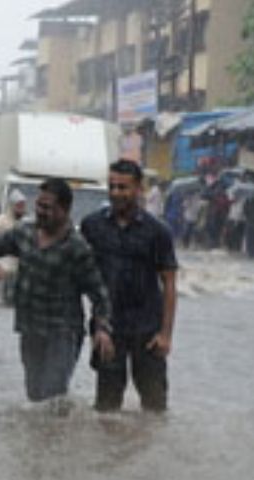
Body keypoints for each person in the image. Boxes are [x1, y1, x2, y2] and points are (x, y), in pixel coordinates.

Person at [0, 179, 113, 405]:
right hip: (30, 328)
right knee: (34, 395)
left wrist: (102, 329)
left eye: (47, 207)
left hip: (62, 332)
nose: (40, 212)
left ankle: (56, 436)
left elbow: (99, 293)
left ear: (64, 210)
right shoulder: (24, 233)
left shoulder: (77, 247)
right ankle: (39, 440)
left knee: (52, 396)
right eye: (38, 205)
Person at [81, 159, 178, 413]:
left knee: (155, 408)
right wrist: (97, 326)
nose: (115, 193)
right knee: (106, 408)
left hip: (148, 331)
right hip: (108, 330)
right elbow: (83, 276)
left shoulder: (158, 232)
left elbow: (169, 283)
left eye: (122, 187)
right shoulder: (92, 226)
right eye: (111, 186)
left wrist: (166, 335)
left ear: (138, 189)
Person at [0, 188, 28, 305]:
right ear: (12, 206)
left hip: (17, 276)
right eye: (19, 206)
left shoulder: (24, 225)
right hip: (0, 274)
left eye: (23, 206)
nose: (22, 209)